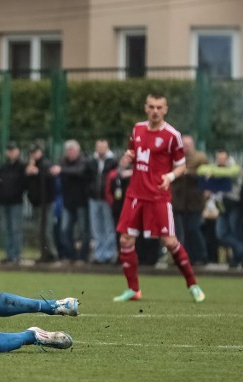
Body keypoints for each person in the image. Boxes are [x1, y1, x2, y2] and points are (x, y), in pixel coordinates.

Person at [114, 92, 205, 303]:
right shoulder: (137, 129)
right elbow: (131, 154)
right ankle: (133, 289)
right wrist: (127, 159)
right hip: (135, 194)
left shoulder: (173, 135)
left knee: (170, 241)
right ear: (146, 108)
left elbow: (181, 164)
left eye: (159, 107)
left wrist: (170, 176)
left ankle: (193, 285)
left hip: (158, 195)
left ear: (165, 109)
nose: (155, 111)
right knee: (125, 239)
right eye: (151, 107)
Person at [197, 149, 243, 268]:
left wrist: (212, 172)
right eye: (218, 159)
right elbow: (200, 170)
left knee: (235, 231)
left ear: (228, 159)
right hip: (221, 204)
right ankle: (240, 251)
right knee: (221, 233)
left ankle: (237, 258)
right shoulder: (214, 167)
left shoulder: (235, 168)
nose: (220, 161)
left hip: (234, 204)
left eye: (223, 159)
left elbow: (231, 173)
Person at [171, 135, 209, 265]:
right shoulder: (176, 158)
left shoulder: (200, 157)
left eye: (188, 144)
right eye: (184, 144)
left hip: (195, 201)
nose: (186, 147)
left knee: (194, 228)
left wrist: (187, 172)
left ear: (193, 145)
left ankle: (202, 256)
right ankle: (189, 257)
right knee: (184, 231)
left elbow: (204, 174)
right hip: (179, 202)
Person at [52, 139, 90, 263]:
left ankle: (83, 257)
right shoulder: (63, 162)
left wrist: (62, 170)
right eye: (68, 150)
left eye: (72, 150)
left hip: (81, 202)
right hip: (67, 203)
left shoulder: (83, 162)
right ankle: (71, 255)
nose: (70, 153)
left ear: (77, 151)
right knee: (64, 230)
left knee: (83, 231)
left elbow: (79, 171)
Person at [25, 142, 58, 263]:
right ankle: (44, 254)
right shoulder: (31, 165)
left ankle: (52, 254)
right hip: (36, 202)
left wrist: (37, 173)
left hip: (46, 203)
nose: (33, 154)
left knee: (46, 230)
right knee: (40, 230)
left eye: (35, 152)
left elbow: (49, 177)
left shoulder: (45, 163)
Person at [87, 139, 118, 264]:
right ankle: (99, 255)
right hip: (94, 199)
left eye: (103, 147)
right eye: (98, 147)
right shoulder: (91, 162)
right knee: (96, 228)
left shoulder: (113, 162)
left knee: (108, 227)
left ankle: (109, 254)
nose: (100, 150)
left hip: (107, 199)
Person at [0, 144, 26, 264]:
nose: (11, 153)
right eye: (9, 150)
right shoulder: (4, 167)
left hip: (16, 202)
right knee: (6, 229)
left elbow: (24, 184)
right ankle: (9, 255)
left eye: (13, 150)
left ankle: (17, 255)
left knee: (15, 229)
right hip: (4, 202)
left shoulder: (22, 167)